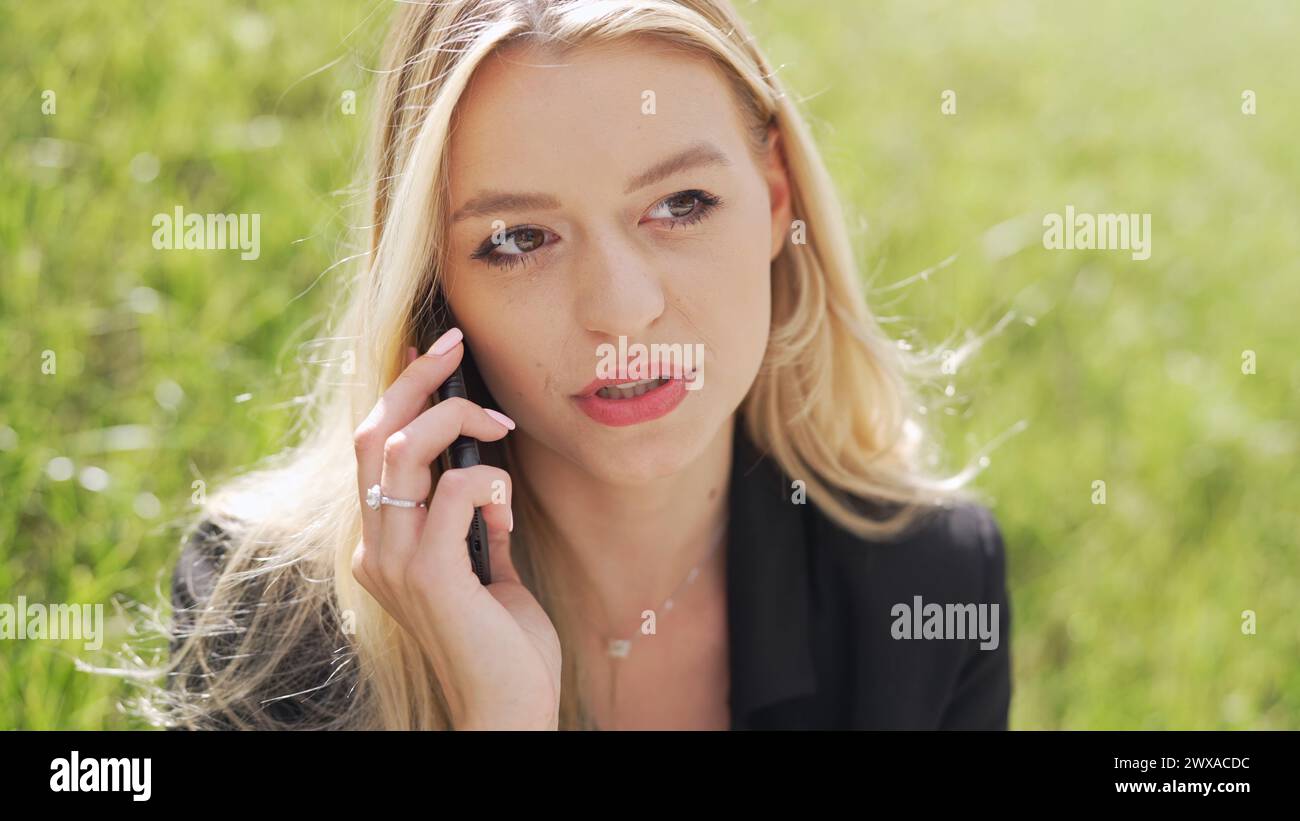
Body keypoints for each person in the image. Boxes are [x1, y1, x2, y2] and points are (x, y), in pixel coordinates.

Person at [161, 0, 1011, 731]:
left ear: (775, 197)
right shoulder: (267, 615)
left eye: (682, 205)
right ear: (432, 284)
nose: (620, 308)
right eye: (518, 239)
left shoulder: (931, 584)